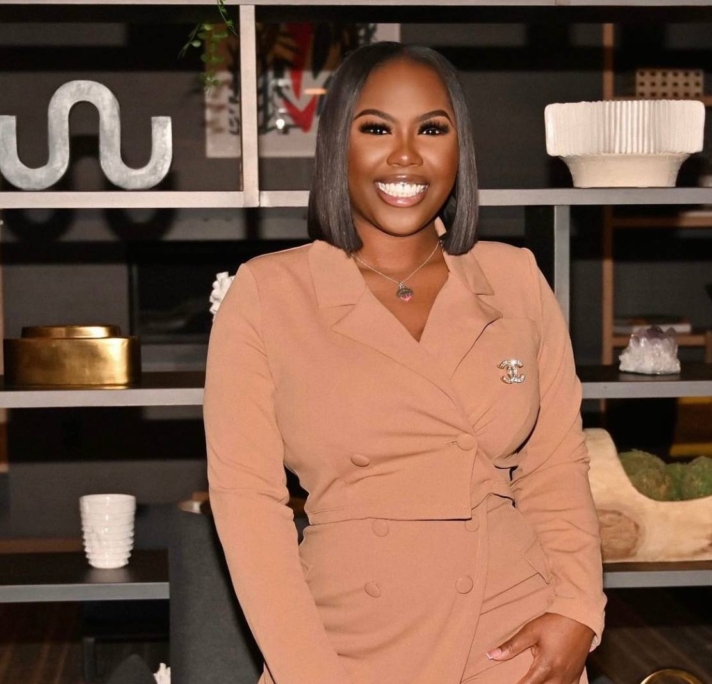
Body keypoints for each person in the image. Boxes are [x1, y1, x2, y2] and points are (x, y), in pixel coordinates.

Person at [203, 41, 607, 684]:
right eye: (376, 129)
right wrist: (309, 674)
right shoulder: (269, 293)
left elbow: (555, 462)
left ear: (459, 148)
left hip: (514, 635)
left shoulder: (514, 278)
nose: (406, 155)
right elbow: (247, 504)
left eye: (432, 129)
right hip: (347, 643)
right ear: (337, 146)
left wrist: (578, 608)